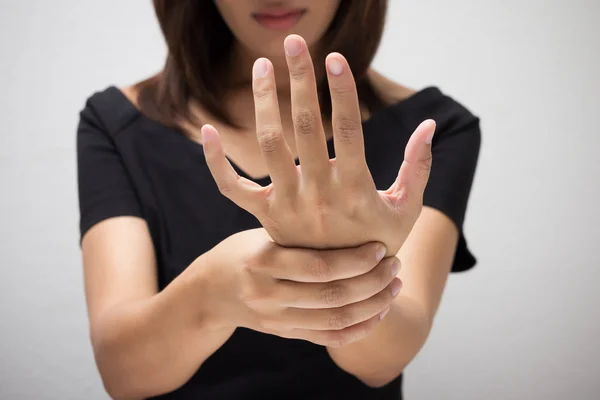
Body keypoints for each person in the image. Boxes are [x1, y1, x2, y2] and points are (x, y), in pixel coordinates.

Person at [76, 1, 481, 399]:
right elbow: (122, 373)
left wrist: (338, 255)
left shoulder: (432, 132)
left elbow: (383, 361)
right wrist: (213, 289)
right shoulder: (117, 125)